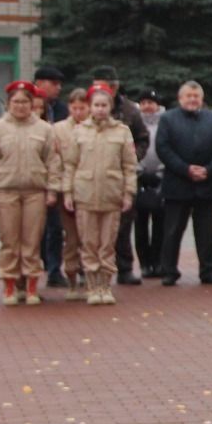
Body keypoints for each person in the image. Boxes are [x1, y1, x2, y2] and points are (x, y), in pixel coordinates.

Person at [0, 80, 59, 306]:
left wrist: (52, 190)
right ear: (8, 103)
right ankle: (11, 286)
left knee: (31, 241)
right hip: (6, 191)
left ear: (33, 104)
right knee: (9, 241)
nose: (21, 106)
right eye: (16, 101)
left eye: (25, 102)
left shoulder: (44, 129)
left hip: (35, 192)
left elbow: (53, 162)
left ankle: (31, 287)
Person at [64, 84, 138, 305]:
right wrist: (68, 192)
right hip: (85, 195)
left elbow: (129, 166)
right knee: (89, 243)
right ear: (89, 107)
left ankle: (105, 285)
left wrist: (128, 193)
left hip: (112, 195)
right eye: (96, 105)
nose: (100, 109)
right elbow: (70, 165)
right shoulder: (79, 132)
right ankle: (92, 285)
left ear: (110, 107)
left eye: (104, 105)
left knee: (107, 243)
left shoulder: (122, 132)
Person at [155, 80, 212, 287]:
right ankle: (169, 271)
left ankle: (208, 270)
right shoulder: (168, 119)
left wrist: (209, 169)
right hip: (177, 184)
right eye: (189, 96)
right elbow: (163, 148)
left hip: (206, 184)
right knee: (172, 231)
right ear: (180, 98)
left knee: (205, 232)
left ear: (202, 99)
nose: (193, 100)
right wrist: (186, 169)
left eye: (196, 96)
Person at [91, 67, 150, 286]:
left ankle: (124, 267)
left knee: (123, 224)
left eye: (103, 86)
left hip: (121, 175)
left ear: (114, 87)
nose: (98, 91)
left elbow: (143, 138)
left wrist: (134, 157)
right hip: (94, 174)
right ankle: (90, 269)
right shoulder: (91, 108)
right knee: (93, 228)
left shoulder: (130, 110)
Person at [51, 88, 91, 300]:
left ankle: (92, 277)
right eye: (74, 108)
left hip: (91, 190)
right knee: (72, 237)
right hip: (67, 190)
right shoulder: (58, 129)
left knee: (90, 237)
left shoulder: (95, 128)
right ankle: (72, 277)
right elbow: (55, 161)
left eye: (82, 108)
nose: (78, 112)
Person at [35, 65, 70, 290]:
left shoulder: (62, 110)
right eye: (54, 83)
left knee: (55, 226)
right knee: (33, 229)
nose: (58, 88)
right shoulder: (24, 106)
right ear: (40, 83)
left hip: (55, 177)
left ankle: (54, 269)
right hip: (30, 178)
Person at [133, 89, 166, 277]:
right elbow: (130, 149)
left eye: (151, 102)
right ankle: (144, 262)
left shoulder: (165, 123)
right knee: (140, 224)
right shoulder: (135, 124)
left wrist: (161, 171)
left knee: (160, 223)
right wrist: (139, 171)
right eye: (143, 102)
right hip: (139, 178)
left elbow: (169, 146)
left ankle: (158, 261)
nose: (147, 106)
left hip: (161, 177)